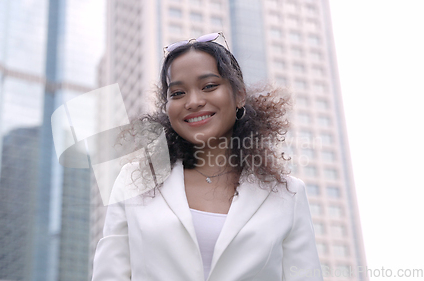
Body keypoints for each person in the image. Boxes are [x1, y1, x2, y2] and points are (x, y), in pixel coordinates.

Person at [92, 32, 323, 281]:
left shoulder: (288, 193)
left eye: (209, 86)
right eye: (177, 93)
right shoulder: (134, 182)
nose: (193, 101)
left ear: (239, 95)